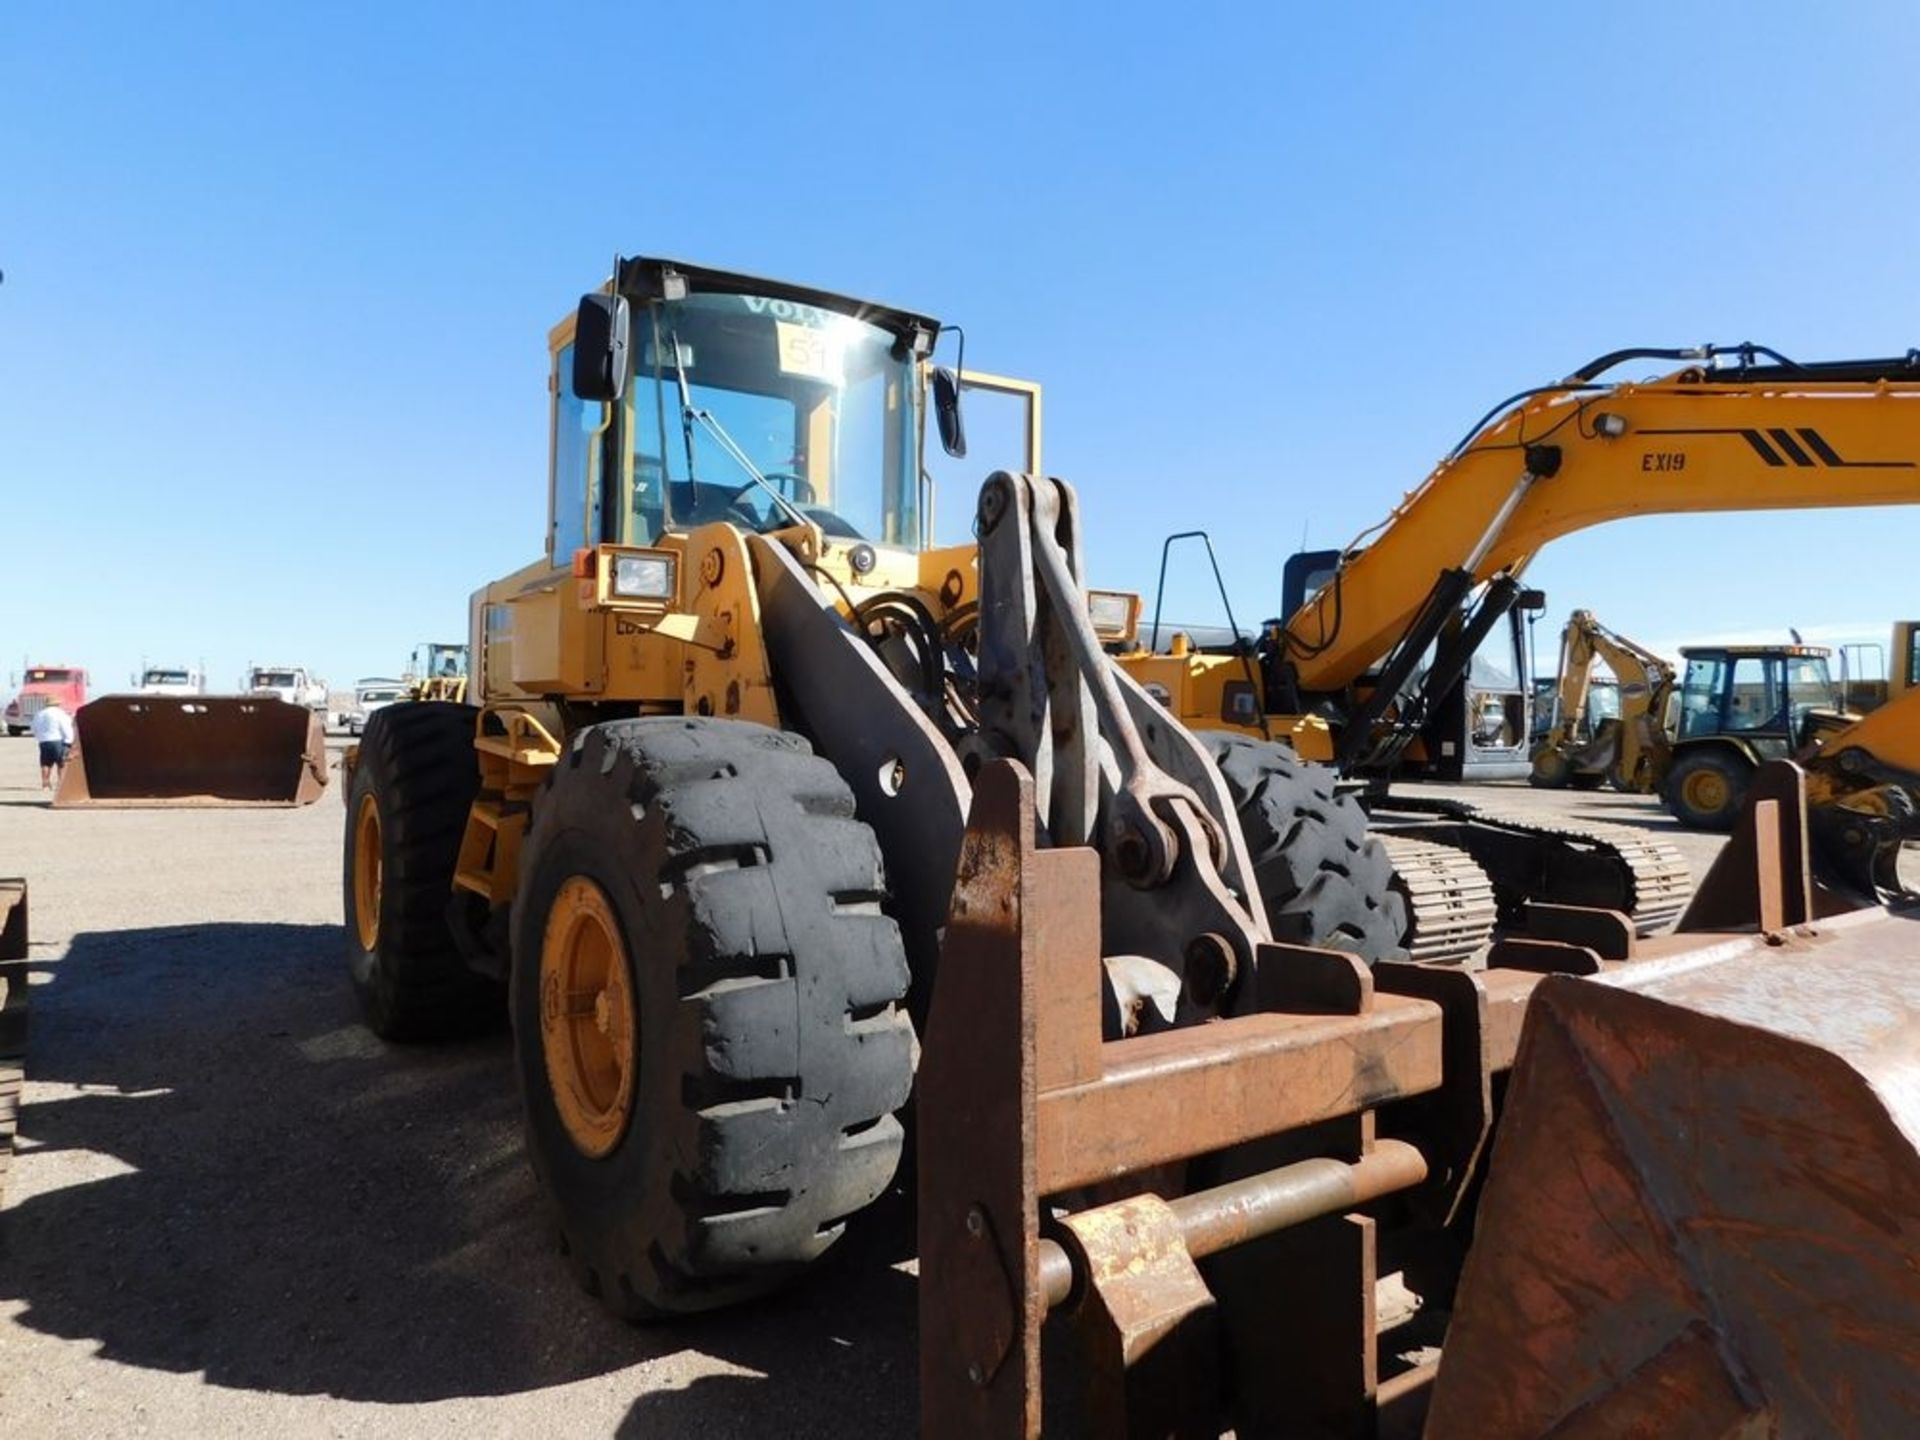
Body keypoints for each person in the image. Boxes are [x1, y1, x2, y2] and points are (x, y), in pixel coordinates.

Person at [32, 700, 76, 792]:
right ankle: (61, 784)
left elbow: (34, 728)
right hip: (58, 741)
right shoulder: (60, 714)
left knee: (45, 763)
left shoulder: (39, 714)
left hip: (44, 741)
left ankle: (45, 784)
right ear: (58, 703)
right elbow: (66, 727)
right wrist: (69, 741)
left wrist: (40, 737)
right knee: (61, 763)